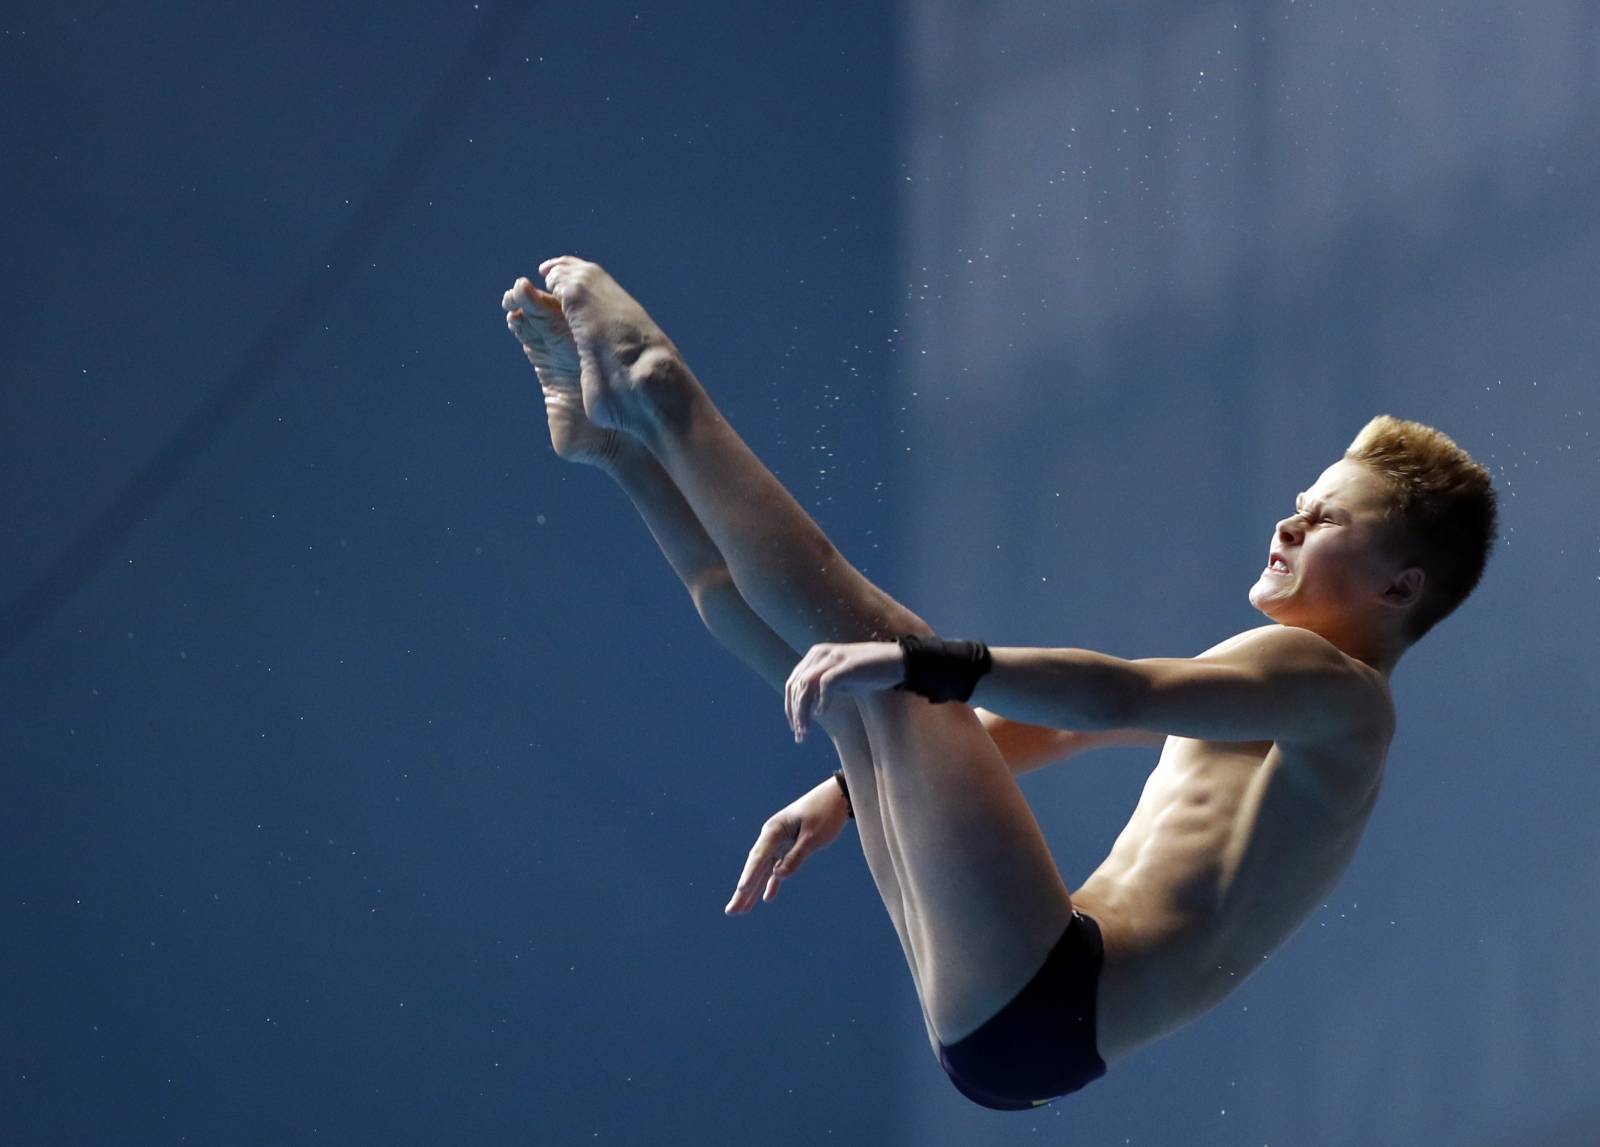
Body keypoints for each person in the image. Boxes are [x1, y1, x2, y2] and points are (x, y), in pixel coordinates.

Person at [499, 258, 1498, 1110]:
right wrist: (844, 795)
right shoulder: (1303, 698)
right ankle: (621, 448)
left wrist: (927, 662)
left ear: (1396, 586)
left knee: (876, 643)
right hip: (1029, 1018)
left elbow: (1119, 697)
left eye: (1323, 519)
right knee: (827, 670)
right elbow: (1060, 732)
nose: (1288, 525)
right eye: (1297, 504)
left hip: (1054, 984)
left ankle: (652, 385)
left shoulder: (1338, 689)